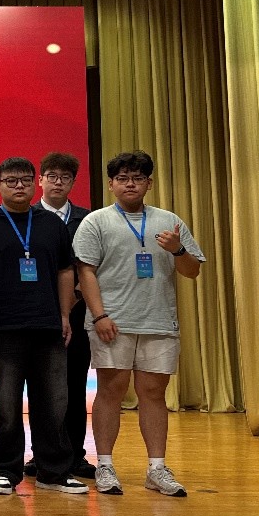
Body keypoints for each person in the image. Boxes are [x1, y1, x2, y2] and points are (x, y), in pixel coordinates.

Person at [74, 150, 205, 497]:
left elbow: (192, 270)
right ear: (111, 184)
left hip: (159, 320)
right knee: (110, 391)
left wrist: (178, 250)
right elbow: (85, 271)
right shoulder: (96, 222)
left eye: (137, 178)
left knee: (153, 394)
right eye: (122, 178)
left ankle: (156, 469)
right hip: (112, 322)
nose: (129, 184)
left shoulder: (169, 220)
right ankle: (104, 465)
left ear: (149, 183)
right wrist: (99, 315)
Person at [0, 158, 86, 495]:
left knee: (54, 402)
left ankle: (54, 472)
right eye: (11, 181)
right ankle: (5, 471)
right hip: (1, 328)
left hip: (48, 327)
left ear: (35, 184)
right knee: (5, 403)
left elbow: (65, 271)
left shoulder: (51, 224)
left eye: (25, 180)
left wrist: (64, 314)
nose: (19, 186)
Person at [26, 153, 96, 480]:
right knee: (40, 388)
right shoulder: (26, 216)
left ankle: (75, 454)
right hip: (37, 314)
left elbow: (94, 265)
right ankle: (41, 453)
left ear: (73, 182)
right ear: (40, 180)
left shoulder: (88, 219)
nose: (58, 182)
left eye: (65, 177)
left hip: (77, 314)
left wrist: (73, 297)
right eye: (51, 176)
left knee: (74, 386)